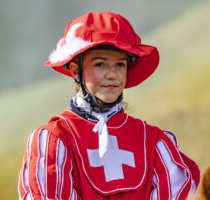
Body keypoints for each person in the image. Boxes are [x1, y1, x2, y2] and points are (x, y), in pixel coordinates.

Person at [18, 11, 200, 200]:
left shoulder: (155, 143)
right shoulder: (54, 140)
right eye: (100, 64)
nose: (112, 74)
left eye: (120, 65)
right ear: (75, 71)